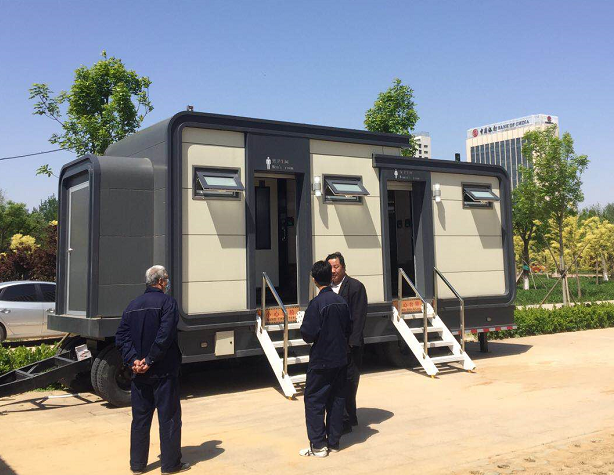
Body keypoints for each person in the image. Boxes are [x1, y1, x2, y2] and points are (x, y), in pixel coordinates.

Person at [115, 265, 190, 474]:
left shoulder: (132, 305)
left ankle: (137, 465)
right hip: (163, 372)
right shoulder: (168, 303)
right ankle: (170, 465)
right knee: (169, 418)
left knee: (140, 420)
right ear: (162, 281)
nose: (167, 283)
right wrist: (149, 360)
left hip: (139, 374)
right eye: (167, 279)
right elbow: (165, 335)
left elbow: (121, 337)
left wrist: (134, 361)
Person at [299, 260, 352, 457]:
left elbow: (308, 334)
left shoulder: (316, 304)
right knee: (337, 399)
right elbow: (348, 328)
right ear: (330, 277)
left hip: (321, 360)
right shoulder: (341, 302)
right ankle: (334, 442)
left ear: (314, 280)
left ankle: (319, 445)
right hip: (340, 358)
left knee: (314, 401)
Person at [326, 252, 368, 434]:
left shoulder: (356, 287)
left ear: (343, 267)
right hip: (333, 345)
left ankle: (348, 419)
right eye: (330, 268)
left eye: (336, 267)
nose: (333, 271)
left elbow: (359, 316)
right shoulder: (326, 288)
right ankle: (343, 419)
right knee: (336, 383)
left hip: (350, 345)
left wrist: (352, 343)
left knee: (350, 382)